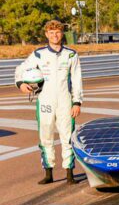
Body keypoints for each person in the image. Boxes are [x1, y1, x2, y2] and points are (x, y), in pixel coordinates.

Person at [14, 20, 83, 185]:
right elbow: (20, 69)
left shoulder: (71, 54)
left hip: (65, 100)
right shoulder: (39, 54)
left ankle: (69, 172)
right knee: (45, 135)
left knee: (68, 135)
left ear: (62, 34)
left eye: (57, 32)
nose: (55, 35)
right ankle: (48, 172)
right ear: (46, 34)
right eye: (51, 33)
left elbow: (77, 79)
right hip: (45, 99)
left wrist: (77, 102)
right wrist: (21, 83)